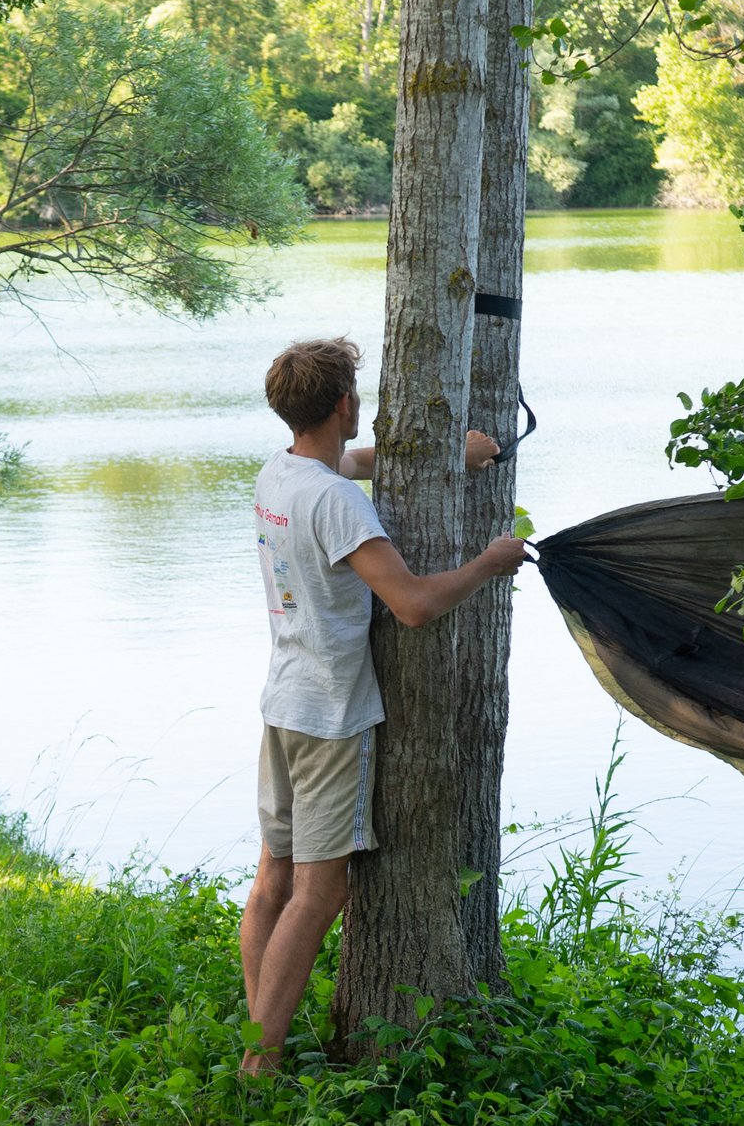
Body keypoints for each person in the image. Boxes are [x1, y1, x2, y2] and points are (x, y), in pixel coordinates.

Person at [241, 336, 526, 1074]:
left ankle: (255, 1030)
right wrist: (490, 565)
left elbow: (350, 464)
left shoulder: (282, 474)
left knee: (274, 876)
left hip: (282, 702)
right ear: (345, 404)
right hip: (334, 716)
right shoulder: (336, 503)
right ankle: (260, 1062)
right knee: (320, 890)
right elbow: (413, 605)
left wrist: (448, 458)